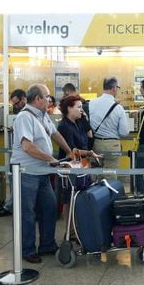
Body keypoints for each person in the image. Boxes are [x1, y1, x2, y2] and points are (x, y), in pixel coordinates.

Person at [10, 84, 74, 264]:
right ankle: (27, 250)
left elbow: (55, 134)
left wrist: (69, 152)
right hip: (26, 173)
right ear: (37, 99)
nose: (50, 100)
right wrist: (52, 160)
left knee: (49, 208)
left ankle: (47, 244)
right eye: (47, 97)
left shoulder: (43, 116)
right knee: (28, 213)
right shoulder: (24, 117)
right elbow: (27, 146)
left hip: (42, 173)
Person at [57, 95, 100, 231]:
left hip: (82, 165)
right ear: (69, 108)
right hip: (70, 167)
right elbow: (71, 150)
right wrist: (87, 153)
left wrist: (86, 119)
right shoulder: (64, 126)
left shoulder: (79, 123)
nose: (81, 110)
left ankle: (79, 227)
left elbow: (89, 138)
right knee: (69, 199)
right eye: (78, 107)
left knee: (80, 197)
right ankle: (70, 230)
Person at [0, 88, 27, 217]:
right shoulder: (22, 114)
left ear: (23, 99)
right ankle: (11, 205)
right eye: (13, 104)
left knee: (17, 182)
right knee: (15, 183)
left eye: (17, 103)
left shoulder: (26, 114)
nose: (15, 106)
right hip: (19, 155)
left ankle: (9, 207)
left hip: (22, 157)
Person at [89, 77, 129, 180]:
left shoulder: (91, 103)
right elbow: (124, 132)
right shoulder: (118, 108)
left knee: (98, 174)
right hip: (112, 145)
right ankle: (109, 194)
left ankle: (97, 195)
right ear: (114, 88)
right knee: (110, 175)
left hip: (95, 144)